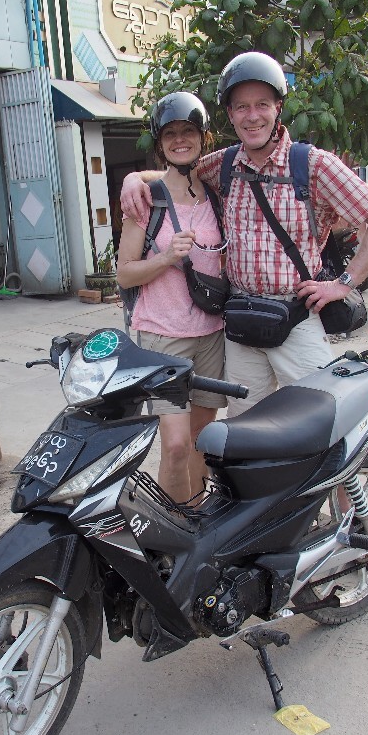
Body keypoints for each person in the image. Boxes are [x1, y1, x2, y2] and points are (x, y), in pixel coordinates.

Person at [121, 52, 368, 415]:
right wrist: (134, 179)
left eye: (261, 105)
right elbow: (178, 175)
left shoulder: (313, 165)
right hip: (241, 322)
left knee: (322, 417)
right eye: (241, 107)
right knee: (244, 431)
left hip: (297, 317)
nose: (252, 116)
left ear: (278, 108)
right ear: (231, 115)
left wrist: (345, 282)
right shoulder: (222, 164)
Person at [115, 91, 227, 503]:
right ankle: (169, 532)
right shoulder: (145, 200)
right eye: (170, 134)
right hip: (163, 337)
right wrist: (164, 258)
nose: (180, 140)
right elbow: (124, 274)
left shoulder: (215, 192)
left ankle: (195, 520)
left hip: (212, 334)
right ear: (160, 143)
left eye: (188, 132)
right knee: (176, 444)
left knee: (200, 439)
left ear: (203, 137)